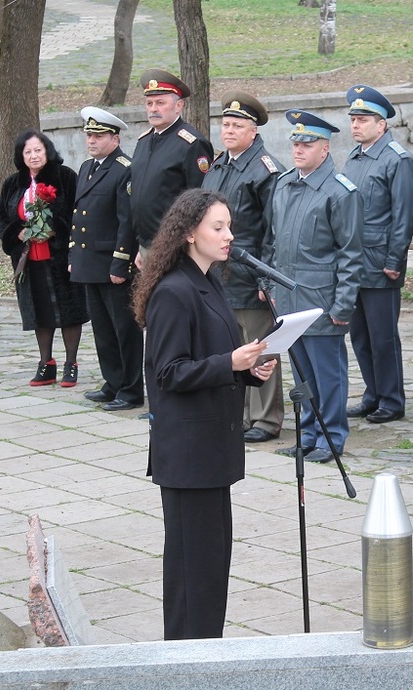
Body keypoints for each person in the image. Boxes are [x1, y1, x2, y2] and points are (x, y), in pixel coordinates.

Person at [131, 188, 276, 640]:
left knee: (210, 566)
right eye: (218, 227)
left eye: (229, 225)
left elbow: (210, 357)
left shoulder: (207, 279)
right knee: (193, 571)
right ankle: (188, 659)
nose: (228, 235)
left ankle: (205, 653)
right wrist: (231, 363)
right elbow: (169, 373)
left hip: (211, 450)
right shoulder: (174, 291)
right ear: (190, 233)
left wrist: (249, 371)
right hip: (189, 454)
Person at [269, 109, 363, 464]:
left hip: (321, 299)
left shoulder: (340, 193)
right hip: (290, 296)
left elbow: (350, 254)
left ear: (324, 148)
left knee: (328, 376)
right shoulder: (284, 183)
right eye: (296, 142)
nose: (298, 148)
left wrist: (343, 305)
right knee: (302, 374)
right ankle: (308, 433)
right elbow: (275, 242)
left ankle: (331, 436)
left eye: (307, 143)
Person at [201, 92, 285, 443]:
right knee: (230, 344)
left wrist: (266, 278)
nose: (229, 130)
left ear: (254, 131)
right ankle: (242, 413)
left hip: (249, 273)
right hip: (218, 274)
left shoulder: (263, 169)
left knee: (258, 345)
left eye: (237, 125)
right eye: (226, 124)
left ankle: (265, 418)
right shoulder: (219, 164)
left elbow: (272, 228)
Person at [342, 85, 413, 425]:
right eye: (354, 119)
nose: (356, 125)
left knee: (382, 335)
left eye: (363, 120)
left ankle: (391, 398)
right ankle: (372, 393)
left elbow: (404, 215)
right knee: (359, 335)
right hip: (354, 262)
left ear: (382, 124)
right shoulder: (354, 157)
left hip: (379, 261)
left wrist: (394, 260)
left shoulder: (397, 160)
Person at [0, 129, 87, 387]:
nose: (34, 156)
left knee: (68, 309)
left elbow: (78, 211)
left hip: (59, 254)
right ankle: (46, 363)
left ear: (47, 151)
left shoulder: (65, 177)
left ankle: (71, 363)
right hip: (27, 256)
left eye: (38, 150)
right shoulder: (13, 183)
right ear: (20, 156)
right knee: (39, 309)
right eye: (28, 152)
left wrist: (57, 227)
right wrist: (16, 232)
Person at [69, 107, 143, 411]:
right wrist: (74, 255)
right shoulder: (88, 167)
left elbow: (127, 221)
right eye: (89, 135)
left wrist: (121, 263)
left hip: (112, 264)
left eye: (98, 135)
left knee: (124, 329)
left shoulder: (124, 168)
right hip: (90, 263)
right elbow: (79, 215)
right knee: (102, 329)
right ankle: (112, 382)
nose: (92, 141)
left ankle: (131, 389)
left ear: (114, 137)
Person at [129, 69, 213, 269]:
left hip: (175, 247)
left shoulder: (191, 144)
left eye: (160, 103)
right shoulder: (144, 141)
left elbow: (199, 200)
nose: (153, 109)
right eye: (149, 103)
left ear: (179, 106)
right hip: (147, 243)